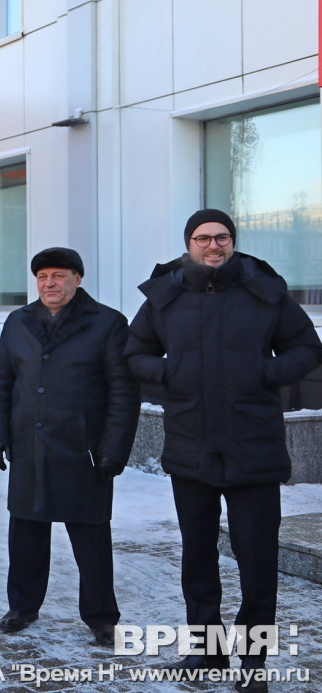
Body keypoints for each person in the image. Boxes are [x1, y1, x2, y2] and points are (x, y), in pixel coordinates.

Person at [125, 210, 322, 684]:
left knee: (257, 559)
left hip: (253, 445)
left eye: (222, 238)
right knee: (197, 557)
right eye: (202, 238)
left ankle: (254, 659)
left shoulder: (264, 290)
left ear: (232, 242)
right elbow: (135, 353)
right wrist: (168, 373)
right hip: (191, 445)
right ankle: (206, 651)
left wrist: (266, 374)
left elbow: (306, 348)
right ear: (188, 243)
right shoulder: (165, 296)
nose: (213, 246)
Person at [0, 247, 139, 647]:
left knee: (91, 541)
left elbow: (123, 392)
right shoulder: (19, 323)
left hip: (83, 451)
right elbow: (0, 382)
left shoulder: (107, 323)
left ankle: (101, 617)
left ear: (78, 279)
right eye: (42, 277)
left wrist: (114, 449)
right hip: (29, 445)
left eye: (58, 275)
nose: (49, 284)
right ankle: (22, 606)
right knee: (26, 536)